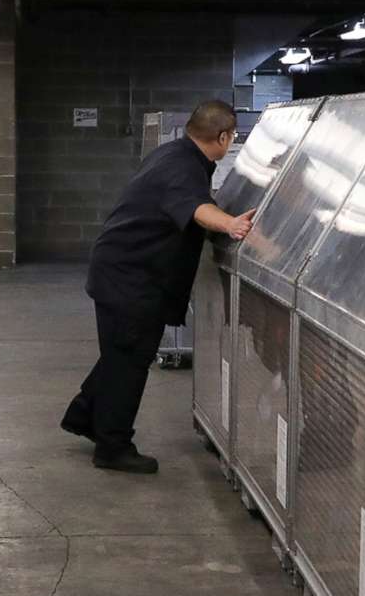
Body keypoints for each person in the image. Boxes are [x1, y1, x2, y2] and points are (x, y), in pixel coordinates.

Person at [61, 100, 255, 472]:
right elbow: (196, 207)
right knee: (129, 361)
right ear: (224, 136)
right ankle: (113, 447)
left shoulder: (174, 153)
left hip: (123, 271)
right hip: (131, 280)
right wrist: (231, 225)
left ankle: (85, 416)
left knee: (122, 354)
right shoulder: (183, 168)